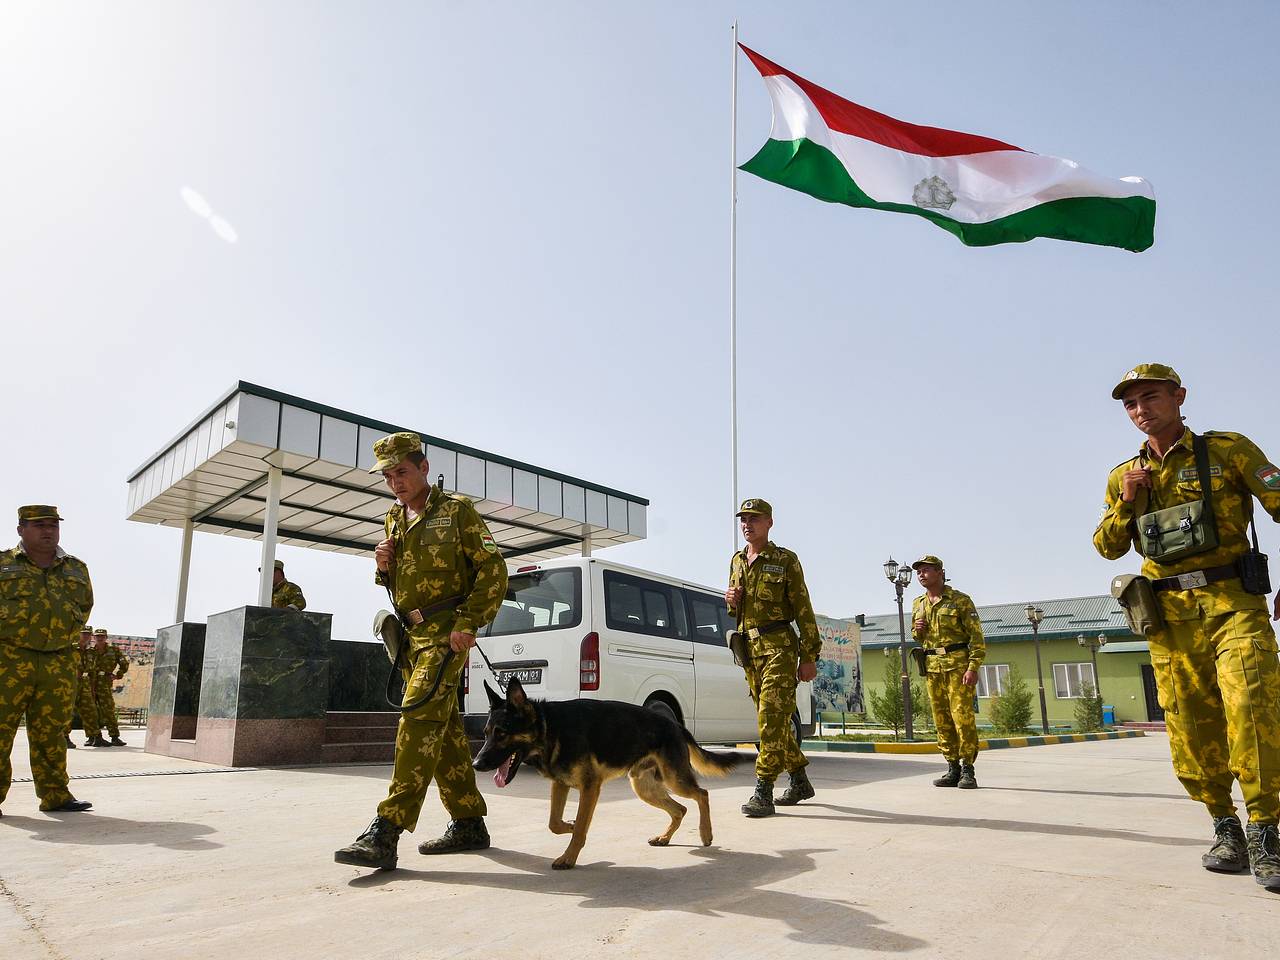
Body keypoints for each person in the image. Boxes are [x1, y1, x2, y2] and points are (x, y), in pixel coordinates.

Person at [1094, 363, 1280, 891]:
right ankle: (1225, 826)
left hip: (1233, 603)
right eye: (1130, 405)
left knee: (1253, 704)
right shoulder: (1122, 475)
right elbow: (1106, 546)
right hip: (1169, 618)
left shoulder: (1228, 450)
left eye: (1150, 398)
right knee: (1190, 725)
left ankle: (1266, 830)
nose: (1140, 411)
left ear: (1178, 397)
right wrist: (1127, 503)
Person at [334, 432, 507, 870]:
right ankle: (468, 822)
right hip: (411, 638)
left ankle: (385, 830)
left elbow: (493, 569)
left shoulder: (456, 512)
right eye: (388, 476)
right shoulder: (394, 519)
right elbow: (400, 586)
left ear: (424, 467)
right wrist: (383, 567)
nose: (395, 482)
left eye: (402, 472)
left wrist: (469, 623)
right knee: (443, 731)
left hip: (446, 634)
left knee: (414, 719)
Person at [725, 498, 821, 818]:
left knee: (770, 717)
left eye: (754, 518)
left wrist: (809, 656)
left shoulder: (785, 560)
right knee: (775, 722)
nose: (747, 524)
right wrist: (730, 600)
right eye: (743, 519)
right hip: (750, 652)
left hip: (780, 646)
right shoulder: (737, 561)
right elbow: (735, 611)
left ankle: (763, 790)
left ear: (769, 522)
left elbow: (804, 611)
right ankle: (799, 780)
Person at [0, 506, 94, 815]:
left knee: (52, 731)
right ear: (20, 529)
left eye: (53, 525)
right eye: (39, 525)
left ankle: (55, 795)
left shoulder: (76, 568)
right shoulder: (3, 564)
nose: (48, 530)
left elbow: (84, 607)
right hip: (8, 657)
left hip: (58, 660)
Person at [910, 556, 985, 789]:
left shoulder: (960, 601)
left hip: (958, 666)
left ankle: (968, 770)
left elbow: (977, 638)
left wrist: (973, 667)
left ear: (941, 572)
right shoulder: (918, 603)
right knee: (941, 720)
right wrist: (917, 630)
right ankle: (952, 767)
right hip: (932, 667)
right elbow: (917, 636)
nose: (922, 575)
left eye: (926, 570)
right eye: (919, 572)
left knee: (962, 718)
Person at [92, 629, 128, 747]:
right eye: (98, 636)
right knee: (90, 711)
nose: (100, 638)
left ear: (106, 637)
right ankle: (93, 737)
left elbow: (124, 663)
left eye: (102, 636)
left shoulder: (114, 650)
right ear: (94, 637)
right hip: (90, 683)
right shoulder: (90, 651)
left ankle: (114, 737)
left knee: (108, 710)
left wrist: (118, 675)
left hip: (105, 684)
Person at [72, 627, 100, 747]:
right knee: (68, 712)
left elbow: (92, 671)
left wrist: (93, 689)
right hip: (71, 683)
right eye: (84, 634)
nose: (86, 636)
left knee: (90, 711)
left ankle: (95, 737)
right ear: (78, 634)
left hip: (85, 684)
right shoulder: (71, 648)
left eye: (88, 634)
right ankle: (64, 737)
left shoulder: (91, 652)